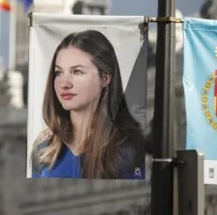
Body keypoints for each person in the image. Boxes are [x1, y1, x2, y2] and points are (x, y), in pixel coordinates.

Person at [30, 29, 145, 179]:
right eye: (59, 72)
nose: (64, 83)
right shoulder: (44, 149)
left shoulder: (128, 150)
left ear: (105, 78)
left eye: (77, 72)